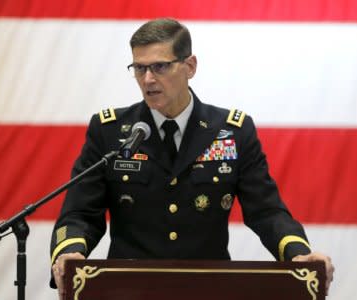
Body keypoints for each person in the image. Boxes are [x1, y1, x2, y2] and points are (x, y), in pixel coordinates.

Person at [50, 18, 334, 298]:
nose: (148, 79)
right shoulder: (109, 131)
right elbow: (81, 212)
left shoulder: (231, 131)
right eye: (139, 68)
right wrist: (70, 253)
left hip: (208, 288)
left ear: (190, 66)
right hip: (129, 289)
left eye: (160, 66)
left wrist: (299, 254)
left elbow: (266, 211)